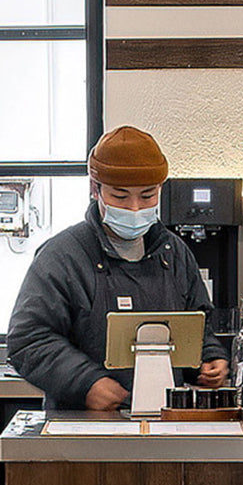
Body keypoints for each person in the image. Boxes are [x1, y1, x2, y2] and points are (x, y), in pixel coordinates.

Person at [7, 125, 229, 410]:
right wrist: (86, 382)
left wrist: (209, 358)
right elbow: (29, 339)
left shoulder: (174, 253)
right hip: (84, 424)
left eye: (147, 196)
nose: (134, 208)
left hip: (165, 419)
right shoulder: (62, 256)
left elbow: (198, 323)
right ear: (95, 189)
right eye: (120, 197)